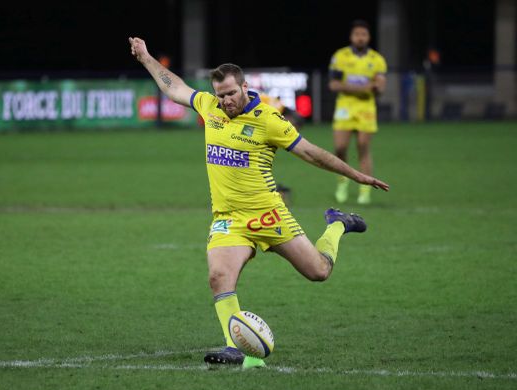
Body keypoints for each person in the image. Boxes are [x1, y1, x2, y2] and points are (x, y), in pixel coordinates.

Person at [129, 37, 389, 369]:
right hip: (228, 218)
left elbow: (311, 153)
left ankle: (336, 224)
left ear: (245, 87)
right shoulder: (210, 108)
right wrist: (147, 58)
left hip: (268, 214)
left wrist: (357, 175)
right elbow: (174, 88)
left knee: (319, 271)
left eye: (231, 94)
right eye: (220, 95)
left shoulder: (268, 120)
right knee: (218, 276)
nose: (225, 101)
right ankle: (235, 349)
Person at [329, 20, 387, 205]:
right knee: (340, 148)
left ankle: (365, 190)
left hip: (366, 108)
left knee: (363, 147)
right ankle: (342, 182)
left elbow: (380, 88)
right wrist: (364, 87)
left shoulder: (376, 59)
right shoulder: (340, 56)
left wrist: (351, 87)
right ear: (351, 36)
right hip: (345, 107)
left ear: (368, 37)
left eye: (364, 34)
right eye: (357, 34)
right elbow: (333, 85)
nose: (360, 38)